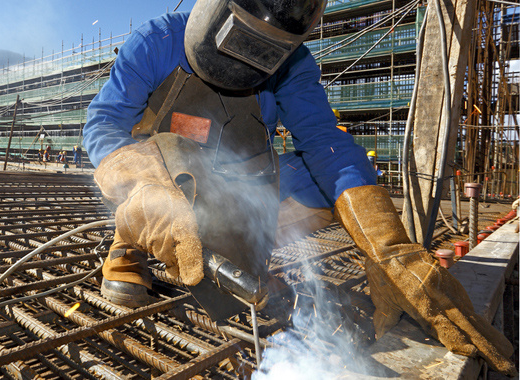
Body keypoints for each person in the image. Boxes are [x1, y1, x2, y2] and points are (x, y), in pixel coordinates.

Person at [83, 1, 515, 375]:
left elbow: (325, 143)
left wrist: (386, 248)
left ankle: (245, 247)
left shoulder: (293, 63)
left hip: (244, 187)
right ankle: (127, 247)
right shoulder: (158, 40)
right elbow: (103, 124)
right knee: (158, 159)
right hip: (169, 182)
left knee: (333, 179)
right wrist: (141, 187)